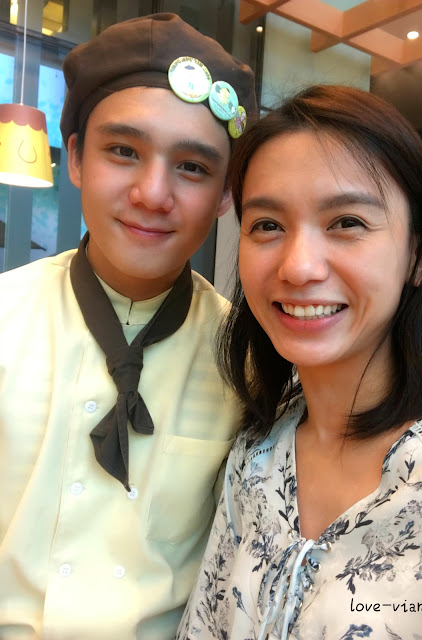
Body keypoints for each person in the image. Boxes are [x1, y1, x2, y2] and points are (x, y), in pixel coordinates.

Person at [177, 85, 422, 640]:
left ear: (418, 254)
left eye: (347, 222)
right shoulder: (257, 453)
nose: (298, 267)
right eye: (268, 225)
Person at [0, 12, 256, 640]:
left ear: (225, 194)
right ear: (76, 158)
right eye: (123, 151)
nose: (152, 193)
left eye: (192, 167)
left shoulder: (250, 361)